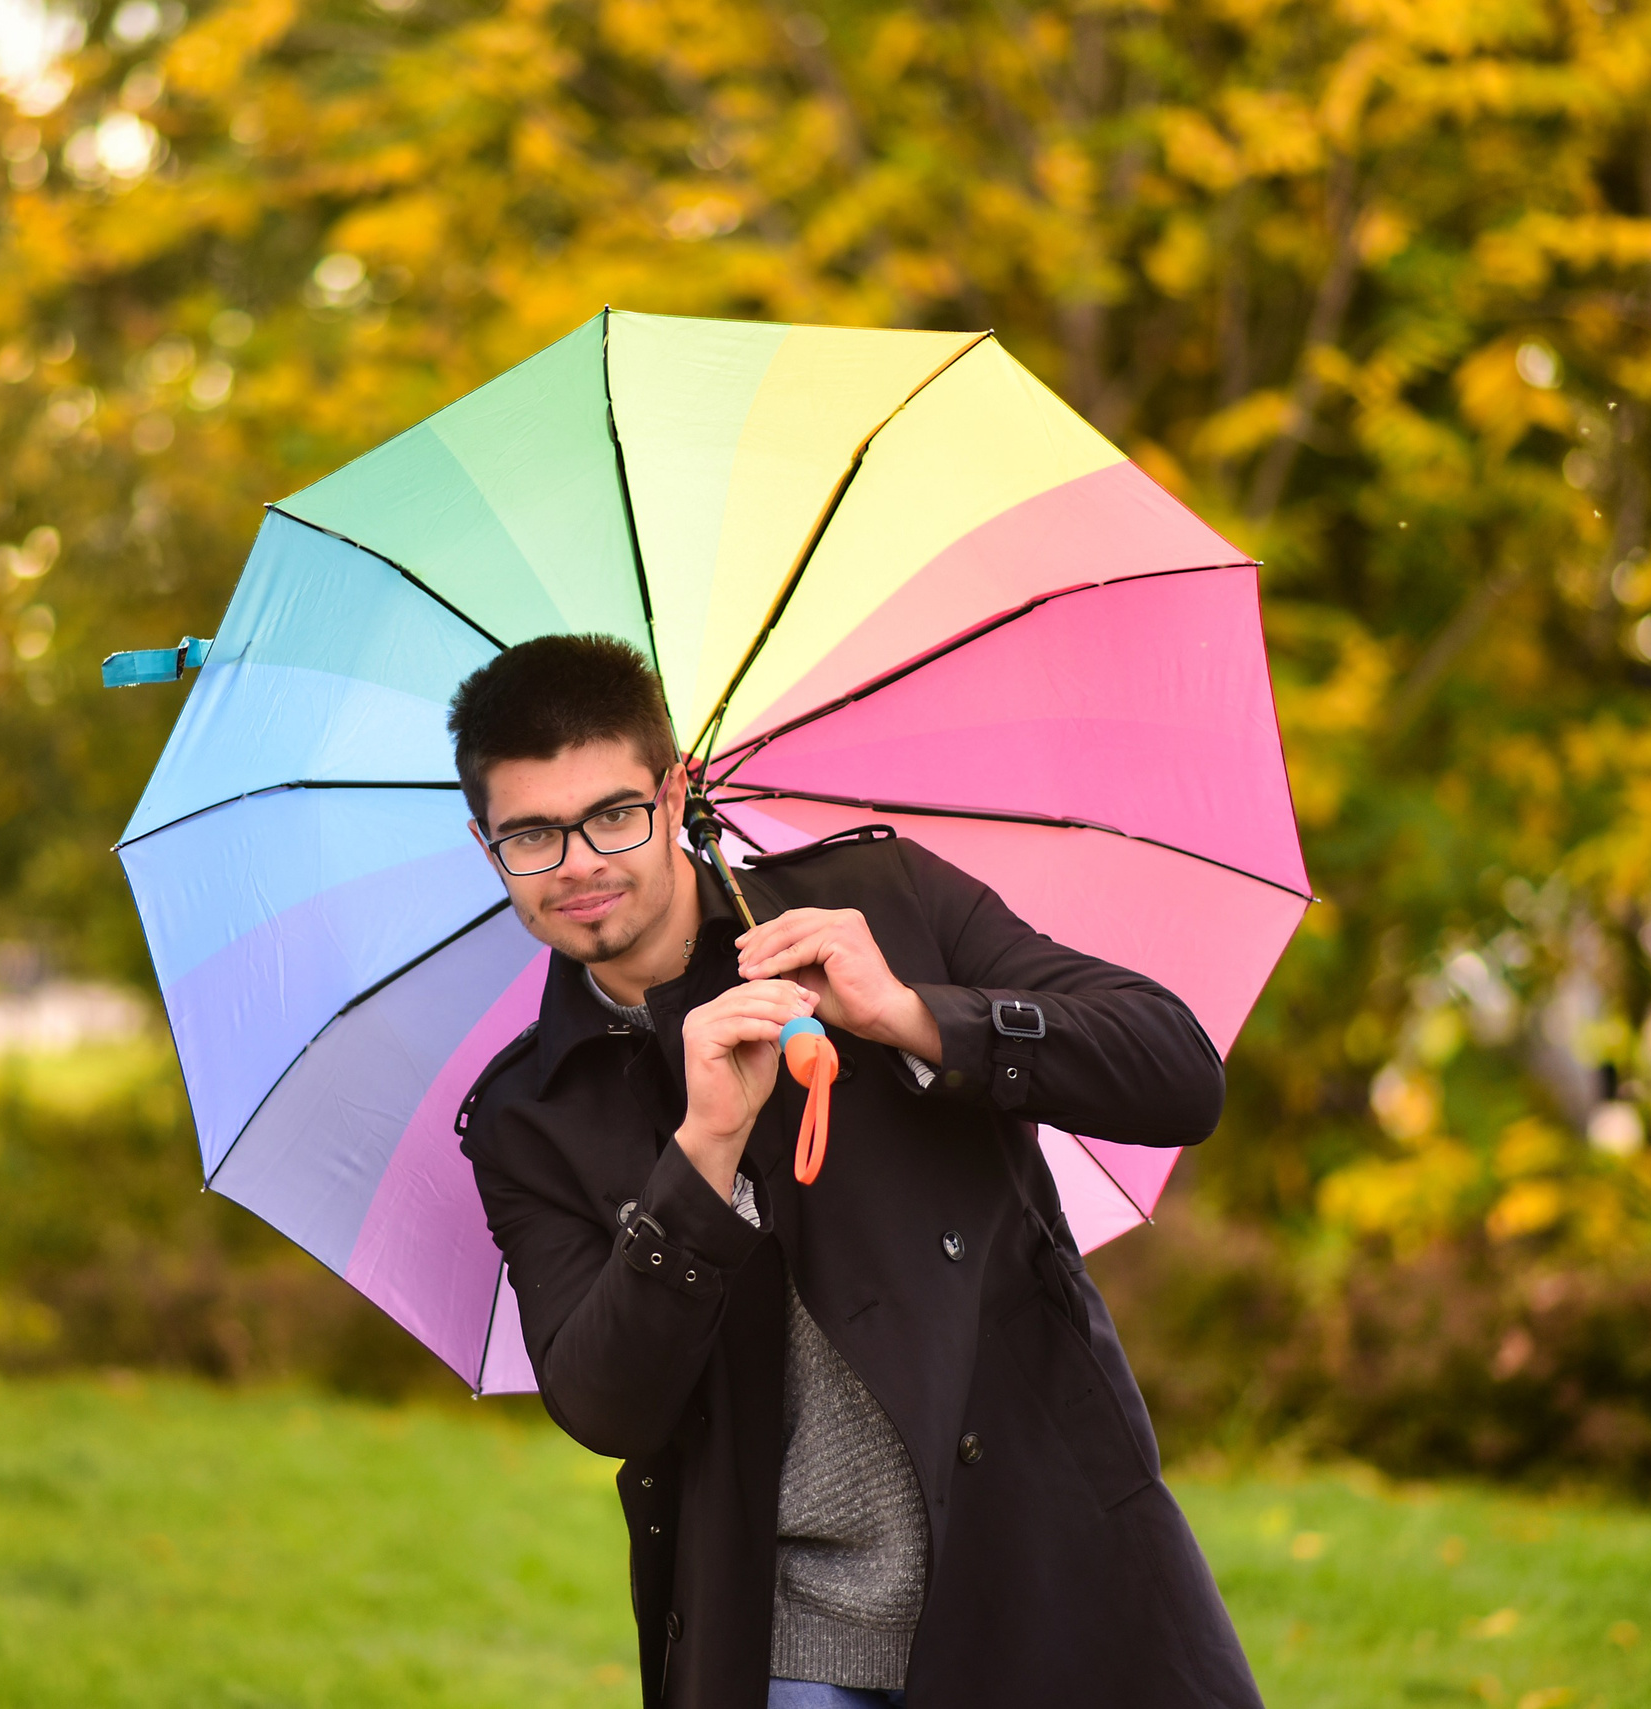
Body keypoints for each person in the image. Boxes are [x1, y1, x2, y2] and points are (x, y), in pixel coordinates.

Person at [450, 634, 1264, 1709]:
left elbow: (1174, 1072)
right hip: (786, 1639)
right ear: (484, 841)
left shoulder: (880, 902)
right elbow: (606, 1403)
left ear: (673, 787)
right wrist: (700, 1157)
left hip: (1042, 1557)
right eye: (531, 835)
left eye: (612, 814)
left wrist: (913, 1015)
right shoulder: (529, 1115)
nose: (580, 864)